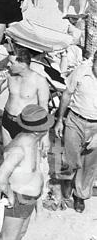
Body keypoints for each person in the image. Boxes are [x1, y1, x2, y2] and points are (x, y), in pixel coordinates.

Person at [0, 105, 52, 240]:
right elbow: (0, 178)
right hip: (19, 199)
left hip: (29, 199)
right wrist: (10, 196)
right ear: (38, 130)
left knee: (21, 233)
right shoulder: (18, 149)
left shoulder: (32, 140)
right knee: (9, 238)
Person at [55, 51, 97, 214]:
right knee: (70, 158)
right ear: (94, 62)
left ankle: (80, 194)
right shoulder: (81, 71)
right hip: (75, 120)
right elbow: (66, 95)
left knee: (89, 164)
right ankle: (66, 182)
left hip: (96, 126)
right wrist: (59, 120)